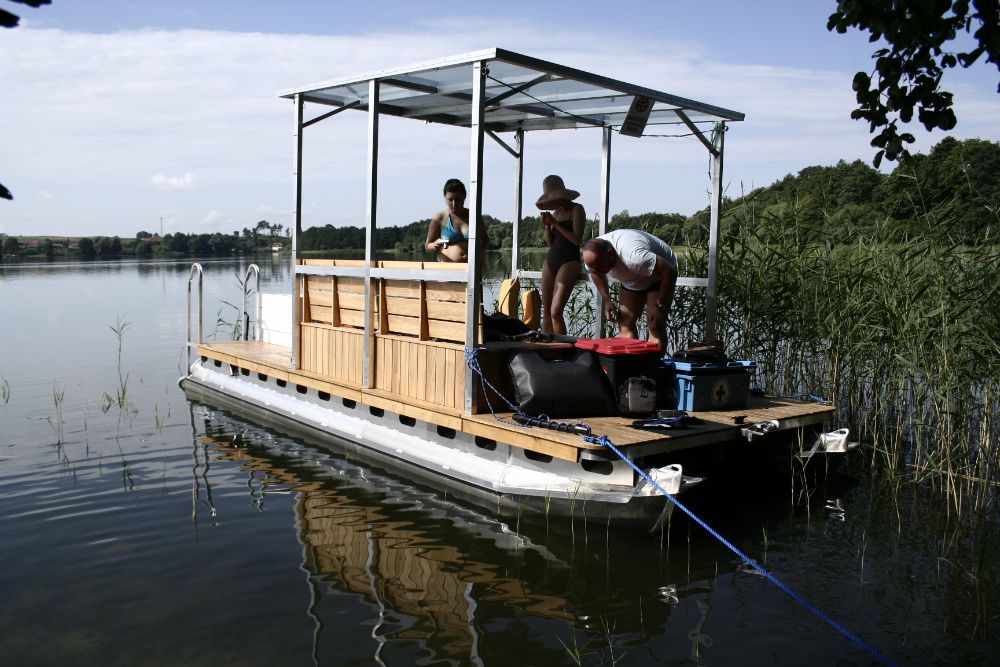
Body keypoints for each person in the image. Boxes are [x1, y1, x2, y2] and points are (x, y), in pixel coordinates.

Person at [582, 229, 678, 352]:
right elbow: (595, 273)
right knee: (624, 322)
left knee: (655, 325)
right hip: (632, 279)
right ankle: (632, 366)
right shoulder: (593, 258)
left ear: (610, 253)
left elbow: (670, 272)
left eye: (601, 266)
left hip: (658, 277)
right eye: (594, 267)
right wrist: (607, 300)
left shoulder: (634, 256)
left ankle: (653, 368)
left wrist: (661, 306)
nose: (599, 271)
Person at [536, 175, 585, 335]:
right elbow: (551, 244)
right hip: (551, 260)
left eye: (555, 198)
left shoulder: (577, 209)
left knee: (555, 312)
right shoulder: (556, 213)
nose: (554, 203)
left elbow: (576, 240)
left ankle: (563, 354)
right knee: (547, 314)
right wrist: (547, 226)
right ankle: (547, 353)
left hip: (569, 261)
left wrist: (555, 224)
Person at [425, 178, 471, 262]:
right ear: (445, 198)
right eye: (450, 200)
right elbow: (427, 246)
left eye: (457, 199)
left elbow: (486, 239)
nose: (454, 204)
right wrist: (434, 245)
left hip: (473, 270)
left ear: (464, 196)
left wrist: (481, 253)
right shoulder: (439, 218)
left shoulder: (473, 216)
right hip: (448, 270)